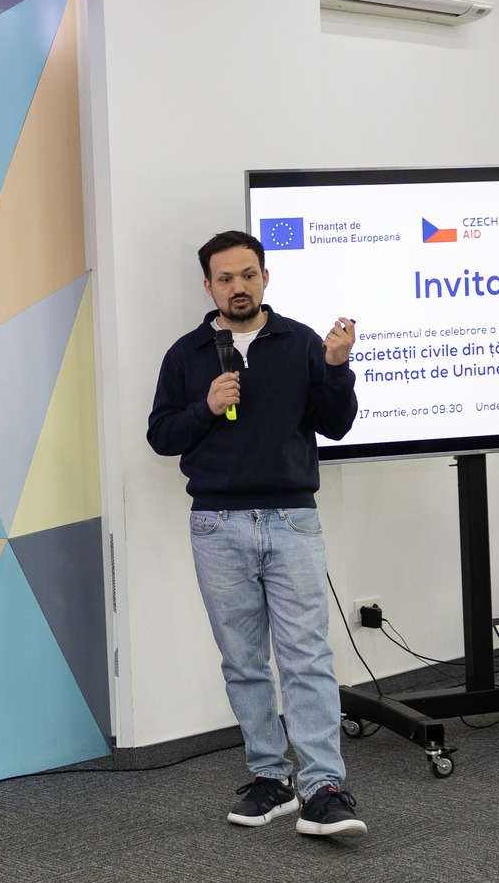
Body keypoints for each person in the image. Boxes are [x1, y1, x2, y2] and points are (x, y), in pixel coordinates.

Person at [146, 229, 364, 839]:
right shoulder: (186, 354)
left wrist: (337, 367)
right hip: (216, 525)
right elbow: (161, 436)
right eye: (225, 278)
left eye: (248, 275)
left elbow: (337, 425)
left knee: (306, 658)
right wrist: (206, 408)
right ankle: (271, 777)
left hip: (292, 519)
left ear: (265, 277)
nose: (237, 287)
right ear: (208, 286)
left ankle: (323, 787)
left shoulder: (301, 343)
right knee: (243, 661)